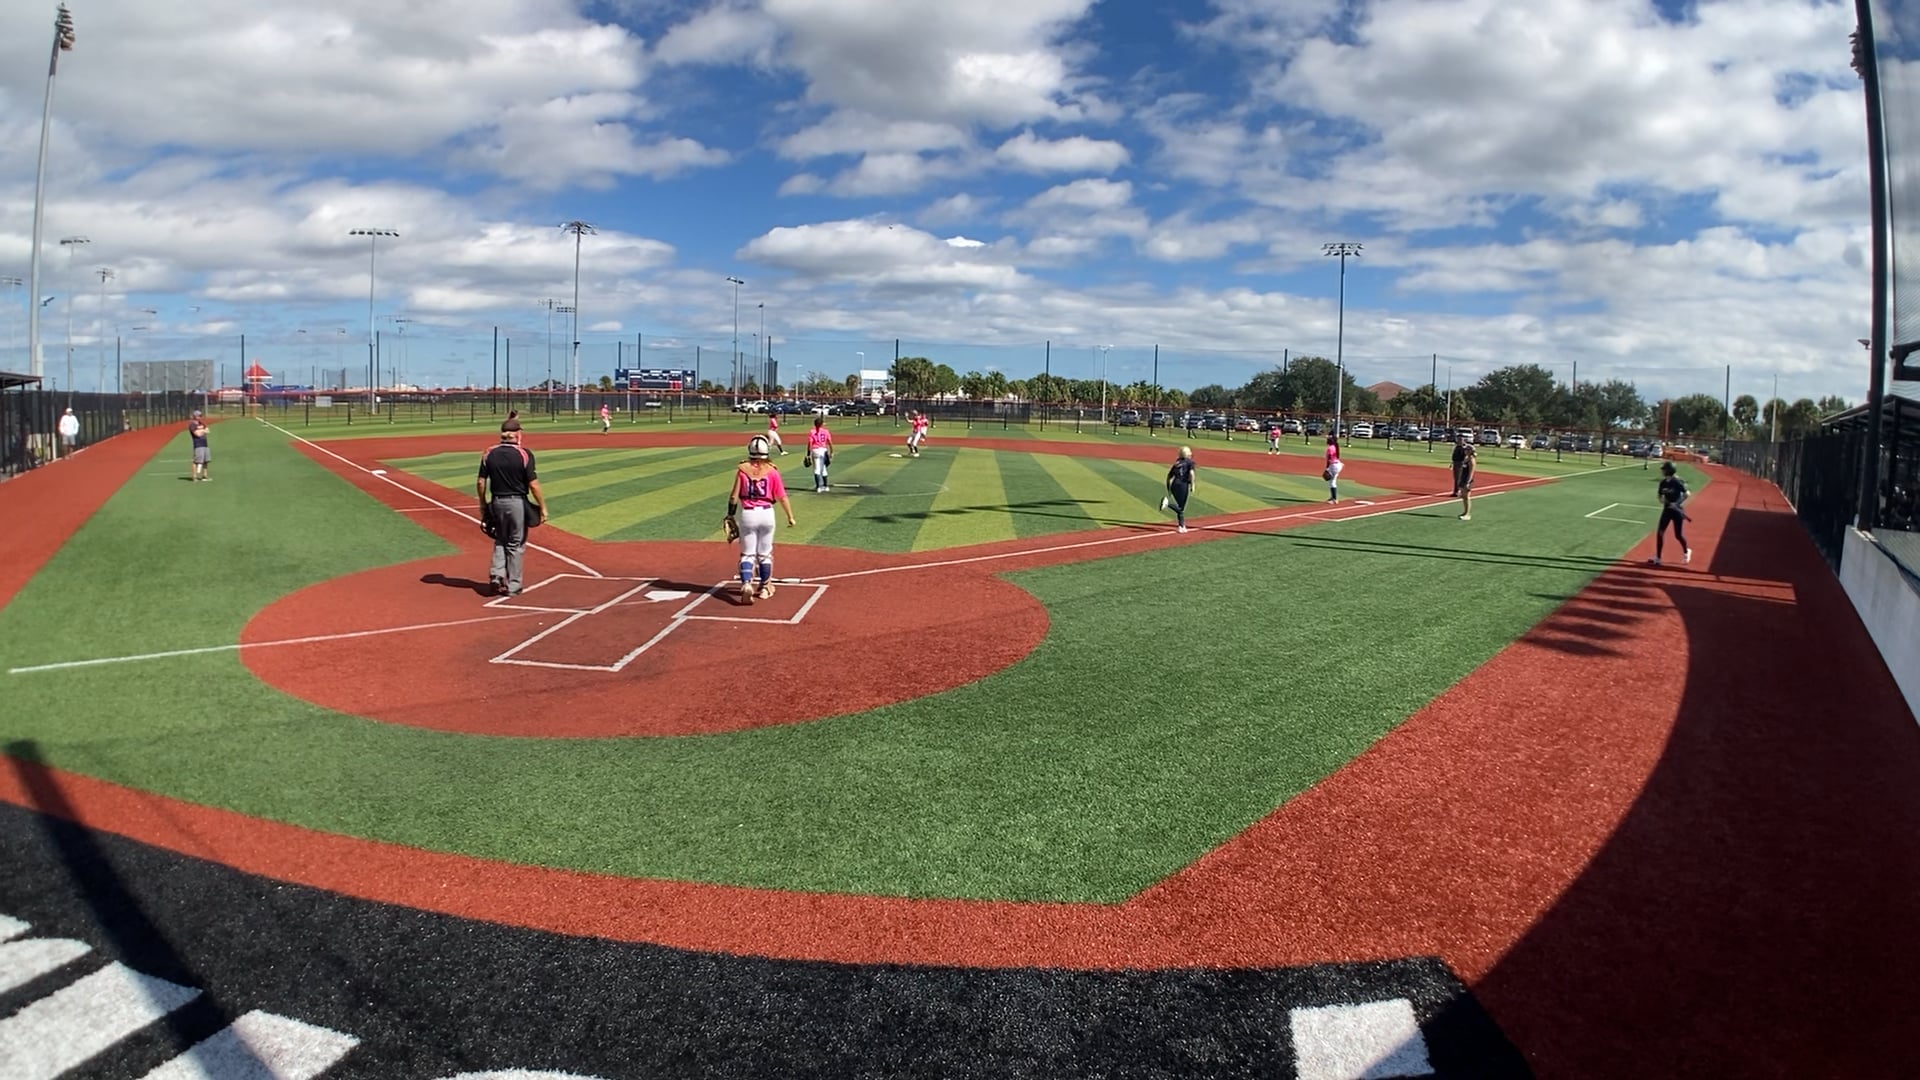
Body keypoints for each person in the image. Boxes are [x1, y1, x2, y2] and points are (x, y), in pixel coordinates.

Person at [477, 419, 547, 596]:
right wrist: (542, 507)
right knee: (516, 543)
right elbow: (533, 485)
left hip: (496, 502)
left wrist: (483, 504)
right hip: (516, 503)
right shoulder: (524, 454)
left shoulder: (489, 453)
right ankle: (514, 585)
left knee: (501, 538)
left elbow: (481, 482)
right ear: (517, 434)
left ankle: (496, 574)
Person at [725, 435, 796, 603]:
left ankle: (746, 584)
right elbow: (782, 497)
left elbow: (734, 497)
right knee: (764, 554)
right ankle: (764, 588)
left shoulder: (742, 470)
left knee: (747, 554)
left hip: (748, 514)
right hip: (767, 514)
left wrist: (730, 514)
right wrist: (790, 516)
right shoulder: (772, 471)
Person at [1650, 461, 1692, 566]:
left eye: (1664, 469)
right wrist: (1662, 500)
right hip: (1667, 510)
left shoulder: (1677, 481)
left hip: (1677, 511)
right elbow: (1660, 496)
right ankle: (1658, 558)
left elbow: (1687, 494)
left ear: (1669, 470)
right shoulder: (1663, 482)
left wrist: (1676, 503)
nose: (1662, 471)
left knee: (1678, 535)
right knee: (1660, 533)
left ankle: (1686, 551)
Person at [1164, 445, 1197, 533]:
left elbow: (1169, 476)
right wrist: (1193, 485)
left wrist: (1169, 488)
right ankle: (1167, 504)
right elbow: (1191, 473)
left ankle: (1181, 526)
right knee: (1181, 508)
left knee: (1179, 507)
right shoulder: (1190, 462)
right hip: (1183, 485)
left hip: (1174, 485)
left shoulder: (1177, 463)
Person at [806, 415, 835, 492]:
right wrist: (832, 452)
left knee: (817, 469)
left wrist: (808, 454)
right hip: (824, 450)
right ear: (822, 424)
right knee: (824, 468)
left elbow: (810, 443)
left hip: (815, 450)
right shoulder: (826, 431)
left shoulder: (812, 432)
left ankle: (818, 487)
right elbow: (830, 442)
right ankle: (825, 486)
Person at [1457, 437, 1477, 520]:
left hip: (1467, 480)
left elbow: (1471, 472)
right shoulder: (1466, 458)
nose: (1465, 451)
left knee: (1467, 497)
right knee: (1463, 496)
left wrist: (1468, 482)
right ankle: (1465, 512)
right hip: (1463, 478)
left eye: (1467, 450)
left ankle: (1467, 514)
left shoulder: (1471, 460)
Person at [189, 412, 211, 482]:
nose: (200, 417)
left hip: (205, 444)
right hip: (198, 445)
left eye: (200, 415)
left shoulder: (202, 423)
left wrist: (202, 431)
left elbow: (208, 430)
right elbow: (197, 434)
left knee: (206, 461)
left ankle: (204, 476)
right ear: (194, 416)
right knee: (196, 461)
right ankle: (194, 477)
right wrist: (204, 431)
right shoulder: (192, 424)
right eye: (198, 415)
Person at [1323, 435, 1343, 503]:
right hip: (1338, 465)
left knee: (1332, 482)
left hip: (1334, 465)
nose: (1327, 440)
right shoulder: (1335, 446)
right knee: (1332, 481)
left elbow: (1329, 459)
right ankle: (1333, 497)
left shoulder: (1330, 448)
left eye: (1328, 439)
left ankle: (1334, 499)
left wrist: (1327, 468)